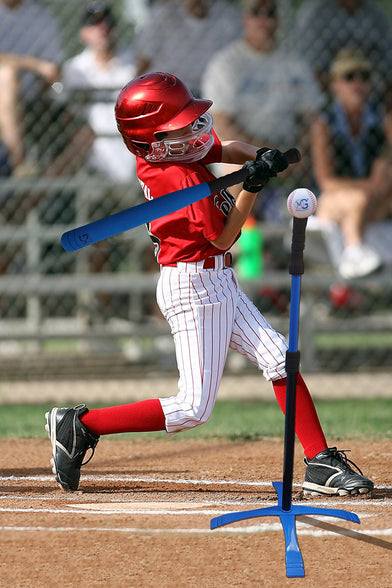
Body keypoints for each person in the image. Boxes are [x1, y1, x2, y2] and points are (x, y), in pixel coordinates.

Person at [45, 71, 374, 498]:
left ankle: (319, 462)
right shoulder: (178, 178)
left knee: (280, 358)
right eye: (180, 128)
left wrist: (260, 156)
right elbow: (223, 236)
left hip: (217, 278)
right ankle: (81, 425)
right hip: (193, 288)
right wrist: (251, 187)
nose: (194, 132)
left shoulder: (176, 152)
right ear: (151, 141)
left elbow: (224, 147)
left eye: (190, 121)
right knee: (192, 409)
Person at [201, 0, 324, 222]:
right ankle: (238, 243)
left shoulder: (295, 62)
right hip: (246, 154)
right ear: (244, 19)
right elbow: (222, 123)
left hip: (292, 153)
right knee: (233, 168)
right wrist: (264, 155)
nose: (264, 20)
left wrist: (298, 153)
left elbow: (312, 117)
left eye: (270, 13)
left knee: (321, 136)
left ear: (278, 20)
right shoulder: (226, 63)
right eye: (257, 13)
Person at [311, 48, 392, 279]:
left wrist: (386, 157)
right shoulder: (324, 122)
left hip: (372, 198)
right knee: (358, 199)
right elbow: (326, 182)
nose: (357, 83)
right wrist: (369, 186)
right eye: (348, 77)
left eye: (364, 77)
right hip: (330, 201)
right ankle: (354, 252)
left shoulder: (379, 117)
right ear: (335, 85)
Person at [61, 1, 137, 184]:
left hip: (133, 151)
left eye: (106, 22)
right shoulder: (74, 70)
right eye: (93, 23)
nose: (102, 28)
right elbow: (69, 117)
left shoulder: (134, 64)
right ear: (83, 34)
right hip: (92, 160)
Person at [290, 0, 392, 109]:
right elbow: (312, 72)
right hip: (326, 100)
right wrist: (344, 90)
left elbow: (388, 74)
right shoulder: (315, 14)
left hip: (371, 97)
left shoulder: (377, 16)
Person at [0, 0, 63, 175]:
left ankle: (35, 192)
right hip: (5, 98)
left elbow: (53, 66)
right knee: (7, 75)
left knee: (82, 133)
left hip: (33, 101)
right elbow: (42, 66)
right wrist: (34, 64)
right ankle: (18, 162)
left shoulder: (40, 15)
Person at [133, 0, 242, 97]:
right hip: (169, 90)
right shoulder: (164, 14)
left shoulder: (227, 14)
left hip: (214, 91)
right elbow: (144, 60)